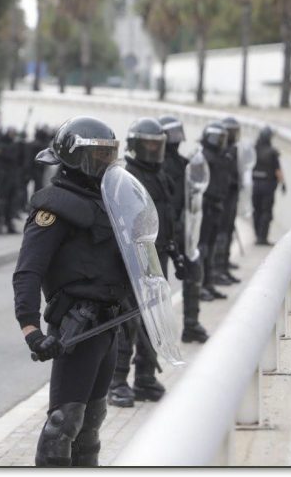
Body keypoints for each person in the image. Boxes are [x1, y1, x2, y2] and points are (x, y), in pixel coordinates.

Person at [12, 116, 128, 467]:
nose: (104, 163)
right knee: (63, 424)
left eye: (109, 155)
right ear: (73, 157)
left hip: (109, 325)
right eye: (97, 156)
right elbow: (27, 272)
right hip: (76, 326)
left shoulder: (110, 200)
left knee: (91, 423)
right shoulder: (54, 206)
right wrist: (32, 331)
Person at [108, 118, 182, 408]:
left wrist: (176, 251)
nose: (154, 150)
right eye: (149, 144)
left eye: (158, 144)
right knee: (128, 322)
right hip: (132, 260)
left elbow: (168, 218)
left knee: (154, 319)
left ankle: (145, 378)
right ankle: (117, 381)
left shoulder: (163, 176)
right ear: (137, 145)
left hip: (157, 258)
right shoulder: (127, 180)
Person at [158, 115, 211, 344]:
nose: (177, 139)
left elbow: (192, 196)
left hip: (181, 229)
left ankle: (190, 324)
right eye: (173, 135)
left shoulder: (183, 164)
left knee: (194, 270)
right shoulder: (153, 166)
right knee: (156, 289)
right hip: (159, 232)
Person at [198, 123, 231, 300]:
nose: (222, 142)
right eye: (219, 138)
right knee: (202, 248)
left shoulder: (221, 157)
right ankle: (200, 285)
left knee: (210, 248)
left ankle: (208, 283)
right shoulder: (203, 157)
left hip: (216, 206)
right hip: (205, 207)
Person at [212, 117, 242, 286]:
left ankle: (224, 264)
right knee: (220, 235)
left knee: (228, 232)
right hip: (223, 199)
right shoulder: (221, 153)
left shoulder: (233, 151)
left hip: (231, 198)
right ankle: (217, 268)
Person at [252, 126, 285, 245]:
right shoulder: (272, 152)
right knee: (266, 212)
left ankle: (257, 235)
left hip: (254, 185)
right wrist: (283, 183)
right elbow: (278, 170)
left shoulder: (254, 149)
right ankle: (262, 237)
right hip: (267, 186)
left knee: (257, 211)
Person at [0, 127, 21, 234]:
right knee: (1, 200)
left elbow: (17, 157)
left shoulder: (14, 144)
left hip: (12, 175)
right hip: (3, 176)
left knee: (12, 200)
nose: (13, 135)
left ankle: (9, 224)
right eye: (11, 133)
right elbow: (5, 155)